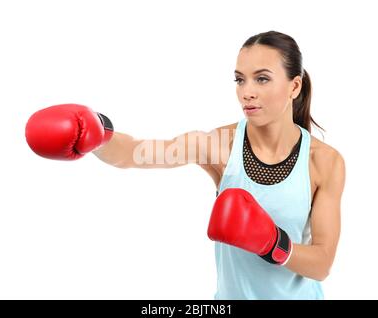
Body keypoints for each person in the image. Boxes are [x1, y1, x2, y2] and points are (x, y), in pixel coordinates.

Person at [25, 30, 346, 300]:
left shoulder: (324, 161)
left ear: (294, 86)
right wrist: (97, 132)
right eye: (239, 80)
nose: (246, 93)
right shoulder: (220, 146)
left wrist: (272, 242)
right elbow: (136, 152)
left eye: (262, 79)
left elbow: (322, 263)